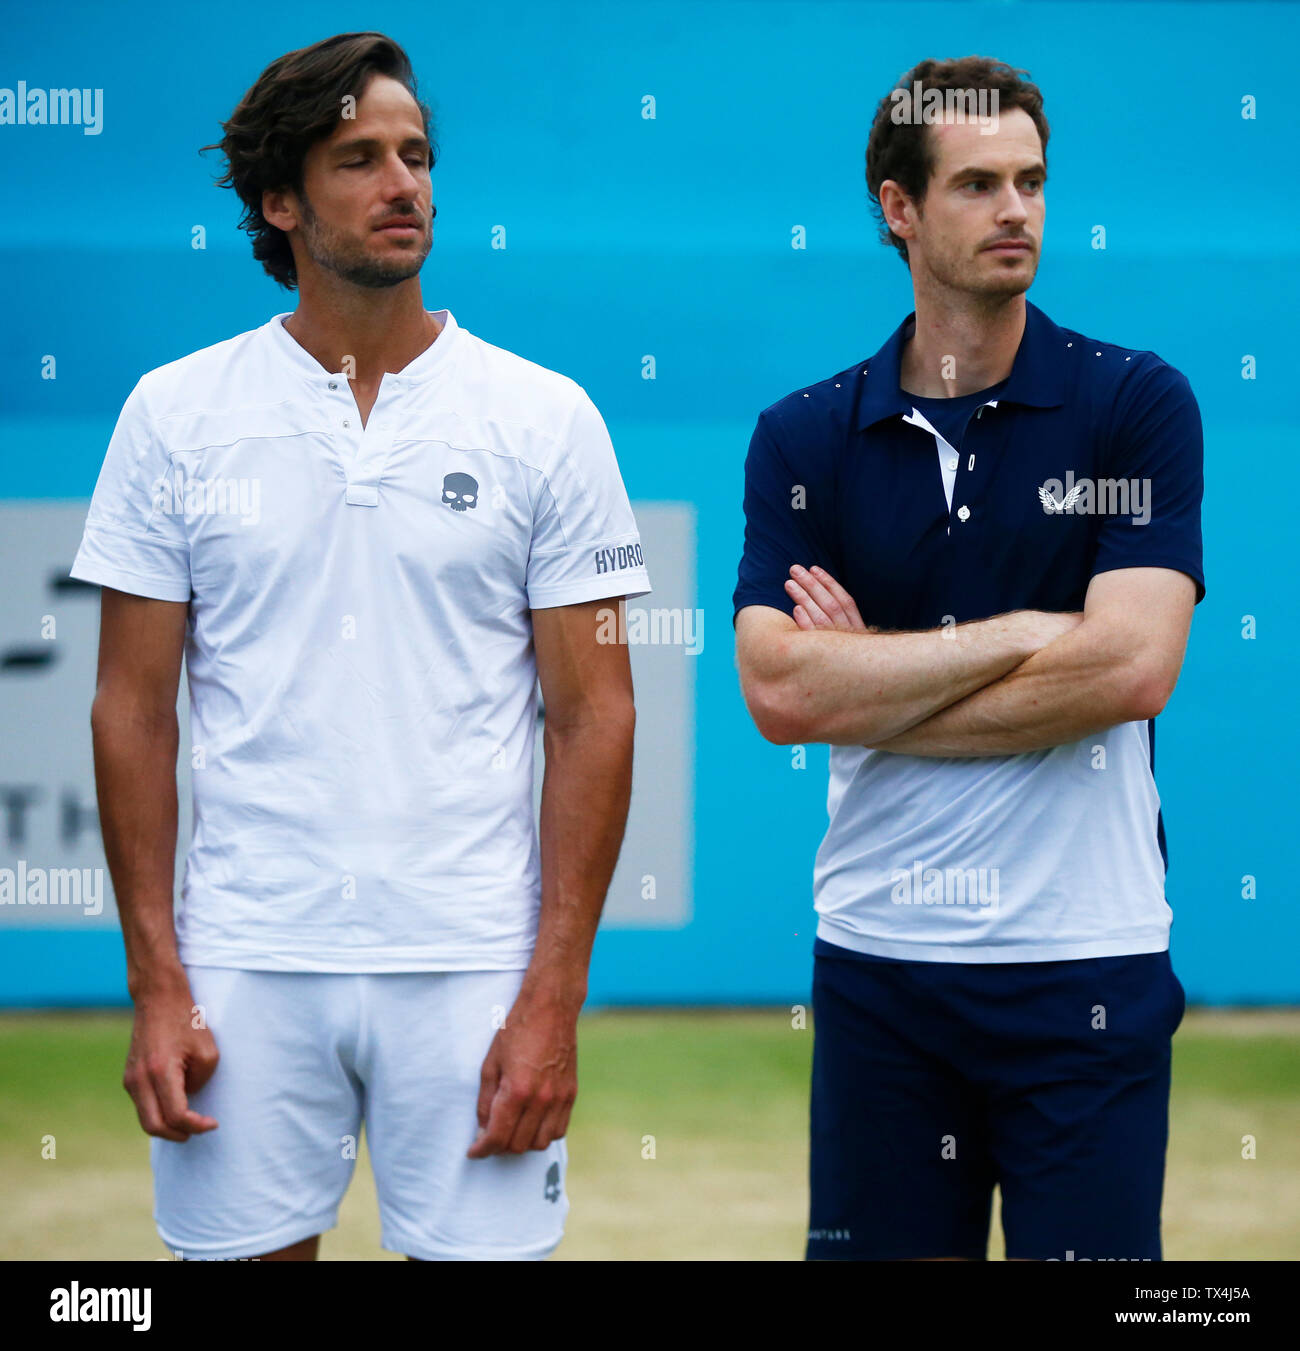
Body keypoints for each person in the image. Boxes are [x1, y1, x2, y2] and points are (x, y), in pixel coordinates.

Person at [71, 31, 650, 1261]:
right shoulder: (172, 416)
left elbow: (596, 714)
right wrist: (157, 980)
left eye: (418, 155)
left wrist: (553, 994)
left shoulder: (548, 420)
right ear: (279, 201)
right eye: (359, 159)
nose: (404, 184)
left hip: (473, 968)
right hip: (244, 964)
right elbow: (130, 712)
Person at [733, 56, 1203, 1262]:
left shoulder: (1135, 403)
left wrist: (868, 689)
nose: (1017, 211)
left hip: (1087, 967)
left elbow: (1132, 672)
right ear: (898, 207)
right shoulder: (804, 434)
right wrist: (1036, 634)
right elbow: (779, 691)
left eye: (1033, 182)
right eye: (979, 183)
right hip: (881, 973)